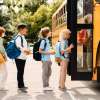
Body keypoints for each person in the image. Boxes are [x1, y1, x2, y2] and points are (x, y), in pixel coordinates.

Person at [15, 24, 30, 93]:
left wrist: (26, 50)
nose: (26, 30)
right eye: (25, 28)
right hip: (19, 57)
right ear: (21, 29)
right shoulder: (18, 37)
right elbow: (19, 46)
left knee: (21, 71)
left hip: (22, 57)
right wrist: (26, 50)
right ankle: (20, 86)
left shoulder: (22, 37)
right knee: (20, 71)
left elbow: (23, 46)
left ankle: (22, 85)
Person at [0, 26, 7, 91]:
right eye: (3, 32)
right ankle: (2, 87)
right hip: (0, 58)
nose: (4, 34)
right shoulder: (0, 39)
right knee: (5, 72)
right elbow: (1, 48)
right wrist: (5, 56)